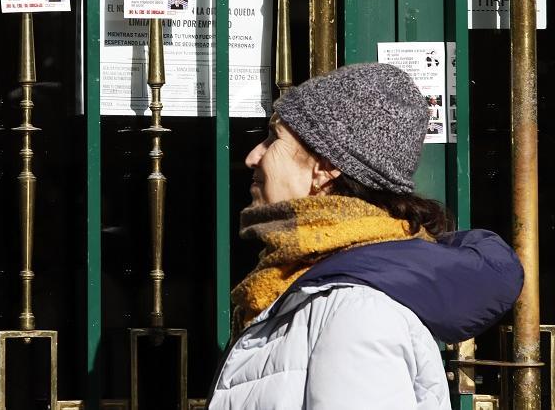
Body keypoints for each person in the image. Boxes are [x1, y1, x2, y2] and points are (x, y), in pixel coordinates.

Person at [208, 63, 523, 410]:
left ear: (324, 168)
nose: (253, 156)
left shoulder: (356, 313)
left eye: (274, 138)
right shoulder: (313, 287)